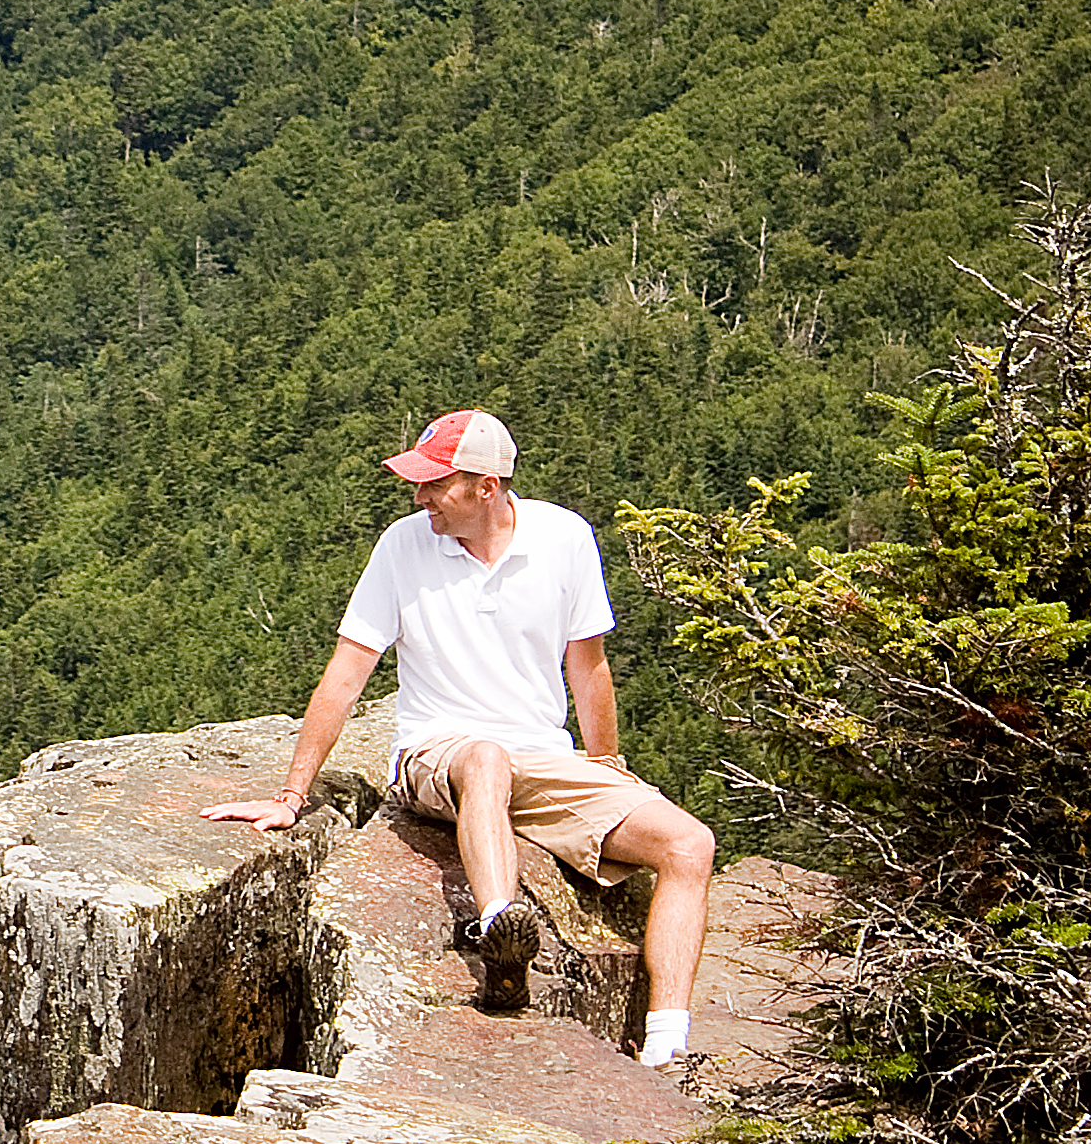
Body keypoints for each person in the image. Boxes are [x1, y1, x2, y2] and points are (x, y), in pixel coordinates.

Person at [202, 408, 716, 1066]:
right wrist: (290, 794)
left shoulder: (563, 538)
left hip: (541, 758)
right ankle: (501, 927)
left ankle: (666, 1045)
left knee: (687, 844)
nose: (419, 499)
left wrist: (606, 764)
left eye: (433, 484)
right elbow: (344, 675)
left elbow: (586, 666)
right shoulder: (402, 546)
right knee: (484, 757)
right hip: (437, 754)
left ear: (485, 487)